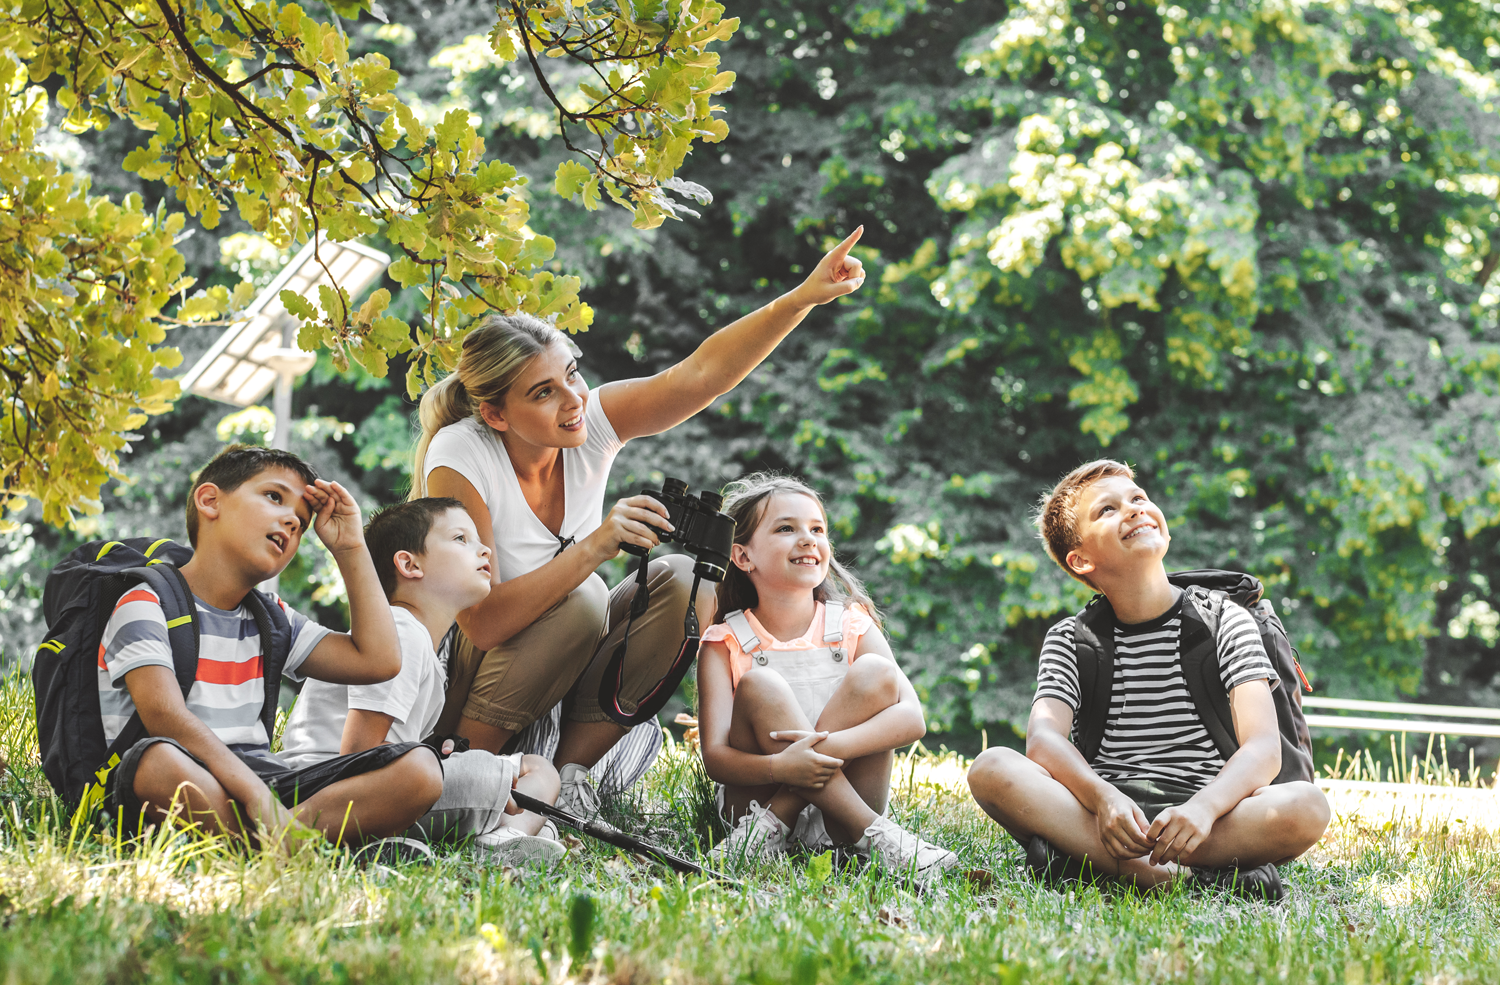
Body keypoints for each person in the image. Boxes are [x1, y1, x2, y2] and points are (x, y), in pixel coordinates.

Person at [412, 229, 868, 820]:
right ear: (496, 413)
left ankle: (568, 781)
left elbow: (700, 376)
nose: (573, 400)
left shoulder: (587, 425)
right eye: (544, 393)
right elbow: (482, 621)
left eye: (571, 374)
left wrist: (801, 298)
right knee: (582, 597)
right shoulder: (461, 453)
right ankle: (475, 772)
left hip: (555, 679)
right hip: (470, 683)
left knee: (685, 578)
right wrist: (598, 545)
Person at [966, 460, 1331, 900]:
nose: (1134, 509)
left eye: (1138, 499)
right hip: (1110, 817)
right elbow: (1043, 741)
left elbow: (1262, 749)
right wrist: (1102, 798)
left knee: (1307, 807)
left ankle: (1092, 863)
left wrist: (1203, 808)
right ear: (1080, 560)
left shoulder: (1226, 620)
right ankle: (1192, 879)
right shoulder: (1070, 638)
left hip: (1209, 818)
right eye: (1108, 510)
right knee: (991, 769)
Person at [97, 445, 443, 850]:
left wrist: (351, 549)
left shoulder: (272, 618)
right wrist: (256, 796)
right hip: (182, 779)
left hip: (267, 783)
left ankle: (273, 845)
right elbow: (165, 717)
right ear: (210, 501)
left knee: (421, 770)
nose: (290, 521)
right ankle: (301, 845)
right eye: (274, 497)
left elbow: (379, 661)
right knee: (157, 763)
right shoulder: (145, 601)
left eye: (300, 521)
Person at [695, 474, 959, 882]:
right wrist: (782, 768)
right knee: (760, 684)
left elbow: (912, 720)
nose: (807, 539)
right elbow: (716, 759)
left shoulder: (851, 624)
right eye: (786, 528)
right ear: (743, 557)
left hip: (847, 813)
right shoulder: (724, 641)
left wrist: (819, 753)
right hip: (756, 806)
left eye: (817, 529)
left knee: (875, 672)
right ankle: (867, 835)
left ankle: (860, 831)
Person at [280, 497, 566, 866]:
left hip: (341, 790)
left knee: (512, 783)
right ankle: (501, 842)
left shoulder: (411, 642)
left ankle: (507, 831)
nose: (484, 549)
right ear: (409, 564)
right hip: (336, 795)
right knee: (537, 770)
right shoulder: (402, 632)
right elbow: (357, 756)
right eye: (461, 538)